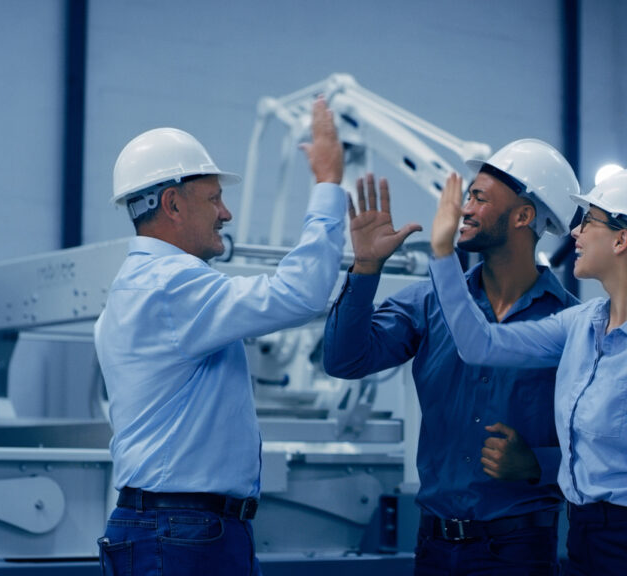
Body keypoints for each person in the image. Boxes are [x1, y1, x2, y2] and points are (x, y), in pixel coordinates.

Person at [94, 98, 346, 576]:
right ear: (171, 204)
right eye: (213, 199)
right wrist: (328, 184)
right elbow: (303, 293)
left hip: (176, 527)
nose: (226, 213)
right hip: (182, 531)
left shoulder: (139, 287)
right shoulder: (171, 287)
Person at [429, 164, 627, 576]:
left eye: (588, 221)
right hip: (583, 537)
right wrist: (443, 255)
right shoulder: (581, 324)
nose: (574, 233)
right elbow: (480, 344)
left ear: (621, 240)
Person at [322, 139, 581, 575]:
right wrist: (365, 267)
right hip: (436, 548)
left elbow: (601, 446)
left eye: (478, 197)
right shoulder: (431, 301)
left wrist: (540, 463)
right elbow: (345, 361)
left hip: (521, 551)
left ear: (523, 215)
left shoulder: (572, 325)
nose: (463, 209)